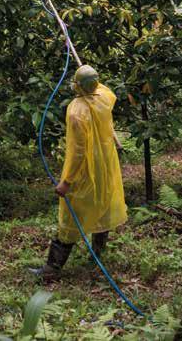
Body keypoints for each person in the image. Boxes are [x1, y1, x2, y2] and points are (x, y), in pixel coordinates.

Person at [31, 64, 127, 278]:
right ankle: (97, 257)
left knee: (71, 215)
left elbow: (78, 152)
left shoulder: (76, 111)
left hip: (87, 169)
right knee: (102, 204)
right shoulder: (105, 97)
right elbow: (101, 87)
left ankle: (51, 269)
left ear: (77, 85)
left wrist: (67, 181)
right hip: (106, 164)